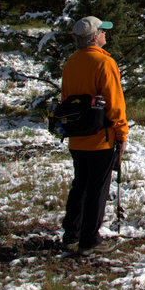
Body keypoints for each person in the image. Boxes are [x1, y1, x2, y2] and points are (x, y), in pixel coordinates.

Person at [60, 16, 128, 255]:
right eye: (103, 31)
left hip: (76, 137)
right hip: (101, 138)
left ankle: (71, 234)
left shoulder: (71, 62)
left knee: (80, 185)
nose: (106, 35)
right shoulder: (104, 63)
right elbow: (114, 103)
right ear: (94, 37)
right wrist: (121, 133)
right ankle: (90, 239)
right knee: (97, 189)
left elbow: (66, 99)